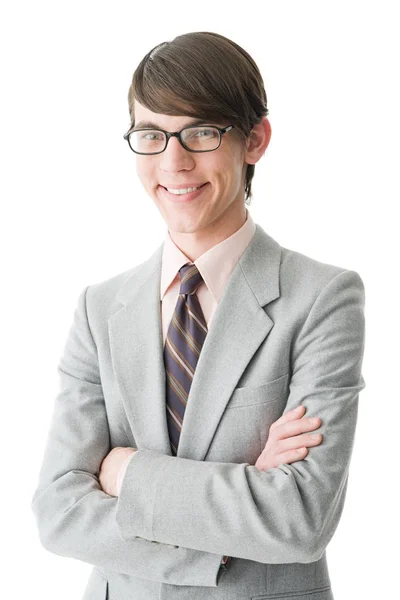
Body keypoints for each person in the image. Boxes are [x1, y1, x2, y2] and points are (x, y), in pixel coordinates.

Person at [31, 31, 366, 600]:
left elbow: (299, 518)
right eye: (151, 135)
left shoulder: (322, 297)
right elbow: (59, 513)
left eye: (201, 133)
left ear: (255, 140)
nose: (174, 161)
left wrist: (125, 473)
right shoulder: (99, 308)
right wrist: (246, 493)